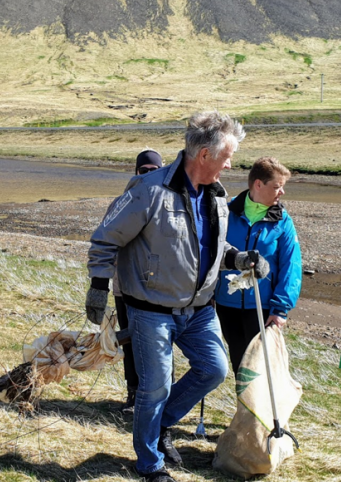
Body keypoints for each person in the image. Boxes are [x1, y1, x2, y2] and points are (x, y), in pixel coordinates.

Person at [86, 111, 269, 482]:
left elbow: (212, 245)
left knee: (214, 368)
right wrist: (99, 286)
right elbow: (105, 237)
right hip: (151, 309)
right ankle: (149, 464)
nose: (231, 164)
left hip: (198, 310)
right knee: (155, 387)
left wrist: (239, 258)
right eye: (227, 156)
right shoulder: (149, 190)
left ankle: (158, 426)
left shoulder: (216, 196)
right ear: (204, 155)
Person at [215, 157, 302, 375]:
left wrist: (281, 309)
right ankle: (244, 409)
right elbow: (212, 252)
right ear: (258, 184)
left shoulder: (282, 221)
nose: (281, 192)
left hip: (262, 307)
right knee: (239, 365)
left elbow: (291, 266)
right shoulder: (227, 212)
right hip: (226, 305)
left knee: (261, 369)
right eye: (277, 186)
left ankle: (261, 410)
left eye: (282, 187)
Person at [114, 149, 164, 413]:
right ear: (135, 172)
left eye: (153, 171)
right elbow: (108, 242)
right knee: (130, 342)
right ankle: (133, 394)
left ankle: (154, 398)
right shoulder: (123, 202)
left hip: (157, 291)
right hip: (125, 289)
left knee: (156, 346)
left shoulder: (168, 202)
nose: (147, 175)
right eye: (142, 171)